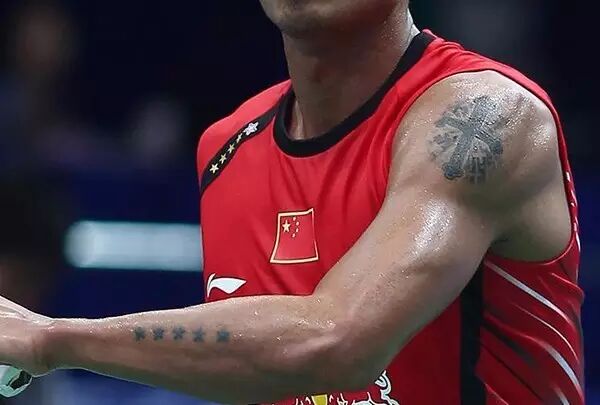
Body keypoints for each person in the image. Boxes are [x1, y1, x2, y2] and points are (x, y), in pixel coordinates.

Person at [0, 2, 584, 404]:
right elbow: (256, 373)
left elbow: (338, 340)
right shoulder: (227, 149)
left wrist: (50, 340)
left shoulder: (484, 121)